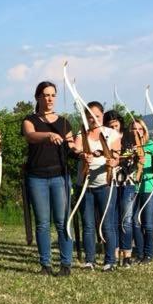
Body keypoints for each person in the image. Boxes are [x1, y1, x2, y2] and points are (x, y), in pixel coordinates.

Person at [21, 81, 74, 276]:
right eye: (45, 95)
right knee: (43, 223)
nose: (49, 98)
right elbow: (31, 135)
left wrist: (81, 151)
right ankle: (45, 265)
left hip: (60, 176)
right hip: (37, 178)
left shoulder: (64, 122)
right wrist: (48, 135)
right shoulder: (30, 119)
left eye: (53, 95)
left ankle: (66, 264)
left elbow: (71, 146)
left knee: (62, 222)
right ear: (38, 97)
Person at [71, 101, 121, 271]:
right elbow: (77, 148)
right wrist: (83, 155)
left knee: (107, 224)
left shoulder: (111, 134)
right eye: (90, 117)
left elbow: (115, 157)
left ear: (102, 115)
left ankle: (110, 261)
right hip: (85, 185)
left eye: (97, 116)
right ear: (86, 118)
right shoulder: (82, 133)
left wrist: (111, 162)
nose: (94, 120)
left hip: (105, 185)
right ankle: (89, 260)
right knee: (88, 224)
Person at [104, 109, 139, 267]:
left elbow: (133, 156)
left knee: (126, 219)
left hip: (127, 181)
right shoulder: (104, 137)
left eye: (115, 123)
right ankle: (115, 251)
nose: (113, 126)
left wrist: (119, 160)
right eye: (110, 124)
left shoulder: (129, 136)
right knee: (113, 218)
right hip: (110, 182)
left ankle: (127, 254)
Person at [131, 117, 153, 263]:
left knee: (148, 223)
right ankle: (140, 252)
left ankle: (148, 254)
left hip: (149, 188)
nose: (137, 132)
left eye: (140, 129)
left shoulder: (151, 145)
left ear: (144, 130)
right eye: (134, 129)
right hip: (134, 188)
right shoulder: (130, 147)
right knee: (134, 221)